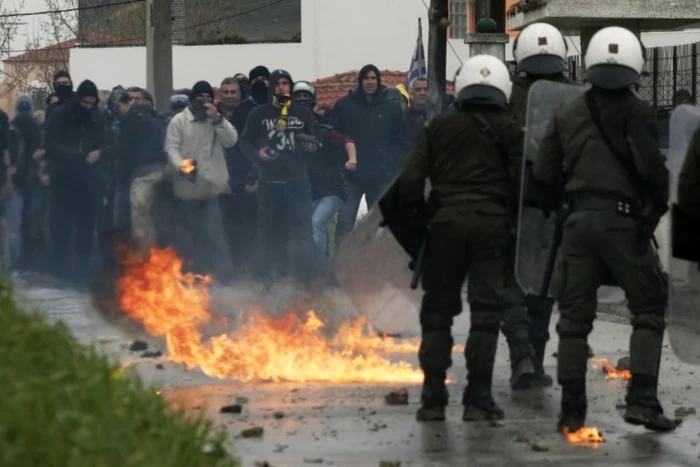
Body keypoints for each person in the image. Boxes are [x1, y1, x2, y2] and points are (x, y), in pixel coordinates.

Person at [533, 26, 676, 433]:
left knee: (574, 320)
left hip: (577, 225)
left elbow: (543, 172)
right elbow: (651, 170)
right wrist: (654, 209)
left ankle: (572, 410)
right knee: (648, 306)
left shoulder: (566, 113)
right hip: (623, 224)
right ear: (634, 68)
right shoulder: (638, 112)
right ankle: (642, 401)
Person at [397, 55, 526, 422]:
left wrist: (426, 222)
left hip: (445, 226)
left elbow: (408, 184)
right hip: (492, 228)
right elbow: (522, 187)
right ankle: (477, 397)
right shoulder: (511, 131)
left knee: (437, 313)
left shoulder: (436, 128)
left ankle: (433, 398)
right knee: (486, 314)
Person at [506, 22, 572, 389]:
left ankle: (522, 357)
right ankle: (537, 359)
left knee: (514, 282)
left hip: (515, 206)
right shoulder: (573, 100)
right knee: (543, 283)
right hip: (555, 206)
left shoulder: (505, 96)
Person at [239, 69, 317, 285]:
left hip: (297, 182)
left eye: (285, 83)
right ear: (271, 87)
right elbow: (244, 142)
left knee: (302, 233)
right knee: (269, 233)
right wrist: (258, 155)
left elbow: (312, 140)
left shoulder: (302, 113)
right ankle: (269, 279)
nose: (282, 87)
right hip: (269, 183)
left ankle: (304, 279)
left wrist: (311, 147)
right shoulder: (259, 113)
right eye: (278, 83)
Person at [164, 80, 237, 280]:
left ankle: (223, 281)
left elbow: (231, 141)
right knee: (188, 239)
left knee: (216, 238)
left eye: (208, 97)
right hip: (186, 191)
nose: (204, 101)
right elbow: (171, 148)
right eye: (200, 97)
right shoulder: (179, 121)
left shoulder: (216, 121)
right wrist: (182, 166)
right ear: (192, 99)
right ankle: (190, 278)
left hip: (211, 190)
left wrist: (218, 120)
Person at [331, 65, 407, 246]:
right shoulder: (344, 105)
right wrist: (344, 162)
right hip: (352, 177)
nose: (370, 82)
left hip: (381, 176)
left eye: (374, 78)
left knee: (381, 227)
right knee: (345, 224)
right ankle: (341, 268)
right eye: (366, 78)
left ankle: (377, 268)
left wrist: (388, 161)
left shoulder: (391, 108)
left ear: (379, 81)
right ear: (360, 81)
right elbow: (333, 136)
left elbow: (401, 140)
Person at [45, 80, 106, 284]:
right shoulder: (60, 115)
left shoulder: (96, 117)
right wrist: (75, 155)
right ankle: (61, 272)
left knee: (85, 229)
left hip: (88, 181)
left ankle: (81, 274)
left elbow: (102, 141)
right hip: (63, 178)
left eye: (92, 103)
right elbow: (51, 145)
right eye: (85, 103)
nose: (88, 107)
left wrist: (97, 157)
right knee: (61, 228)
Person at [293, 80, 357, 275]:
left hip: (331, 190)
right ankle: (303, 272)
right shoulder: (287, 130)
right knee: (304, 232)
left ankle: (320, 273)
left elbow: (347, 141)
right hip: (306, 192)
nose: (302, 101)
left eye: (306, 97)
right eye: (298, 97)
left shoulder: (322, 129)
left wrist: (352, 160)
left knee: (316, 223)